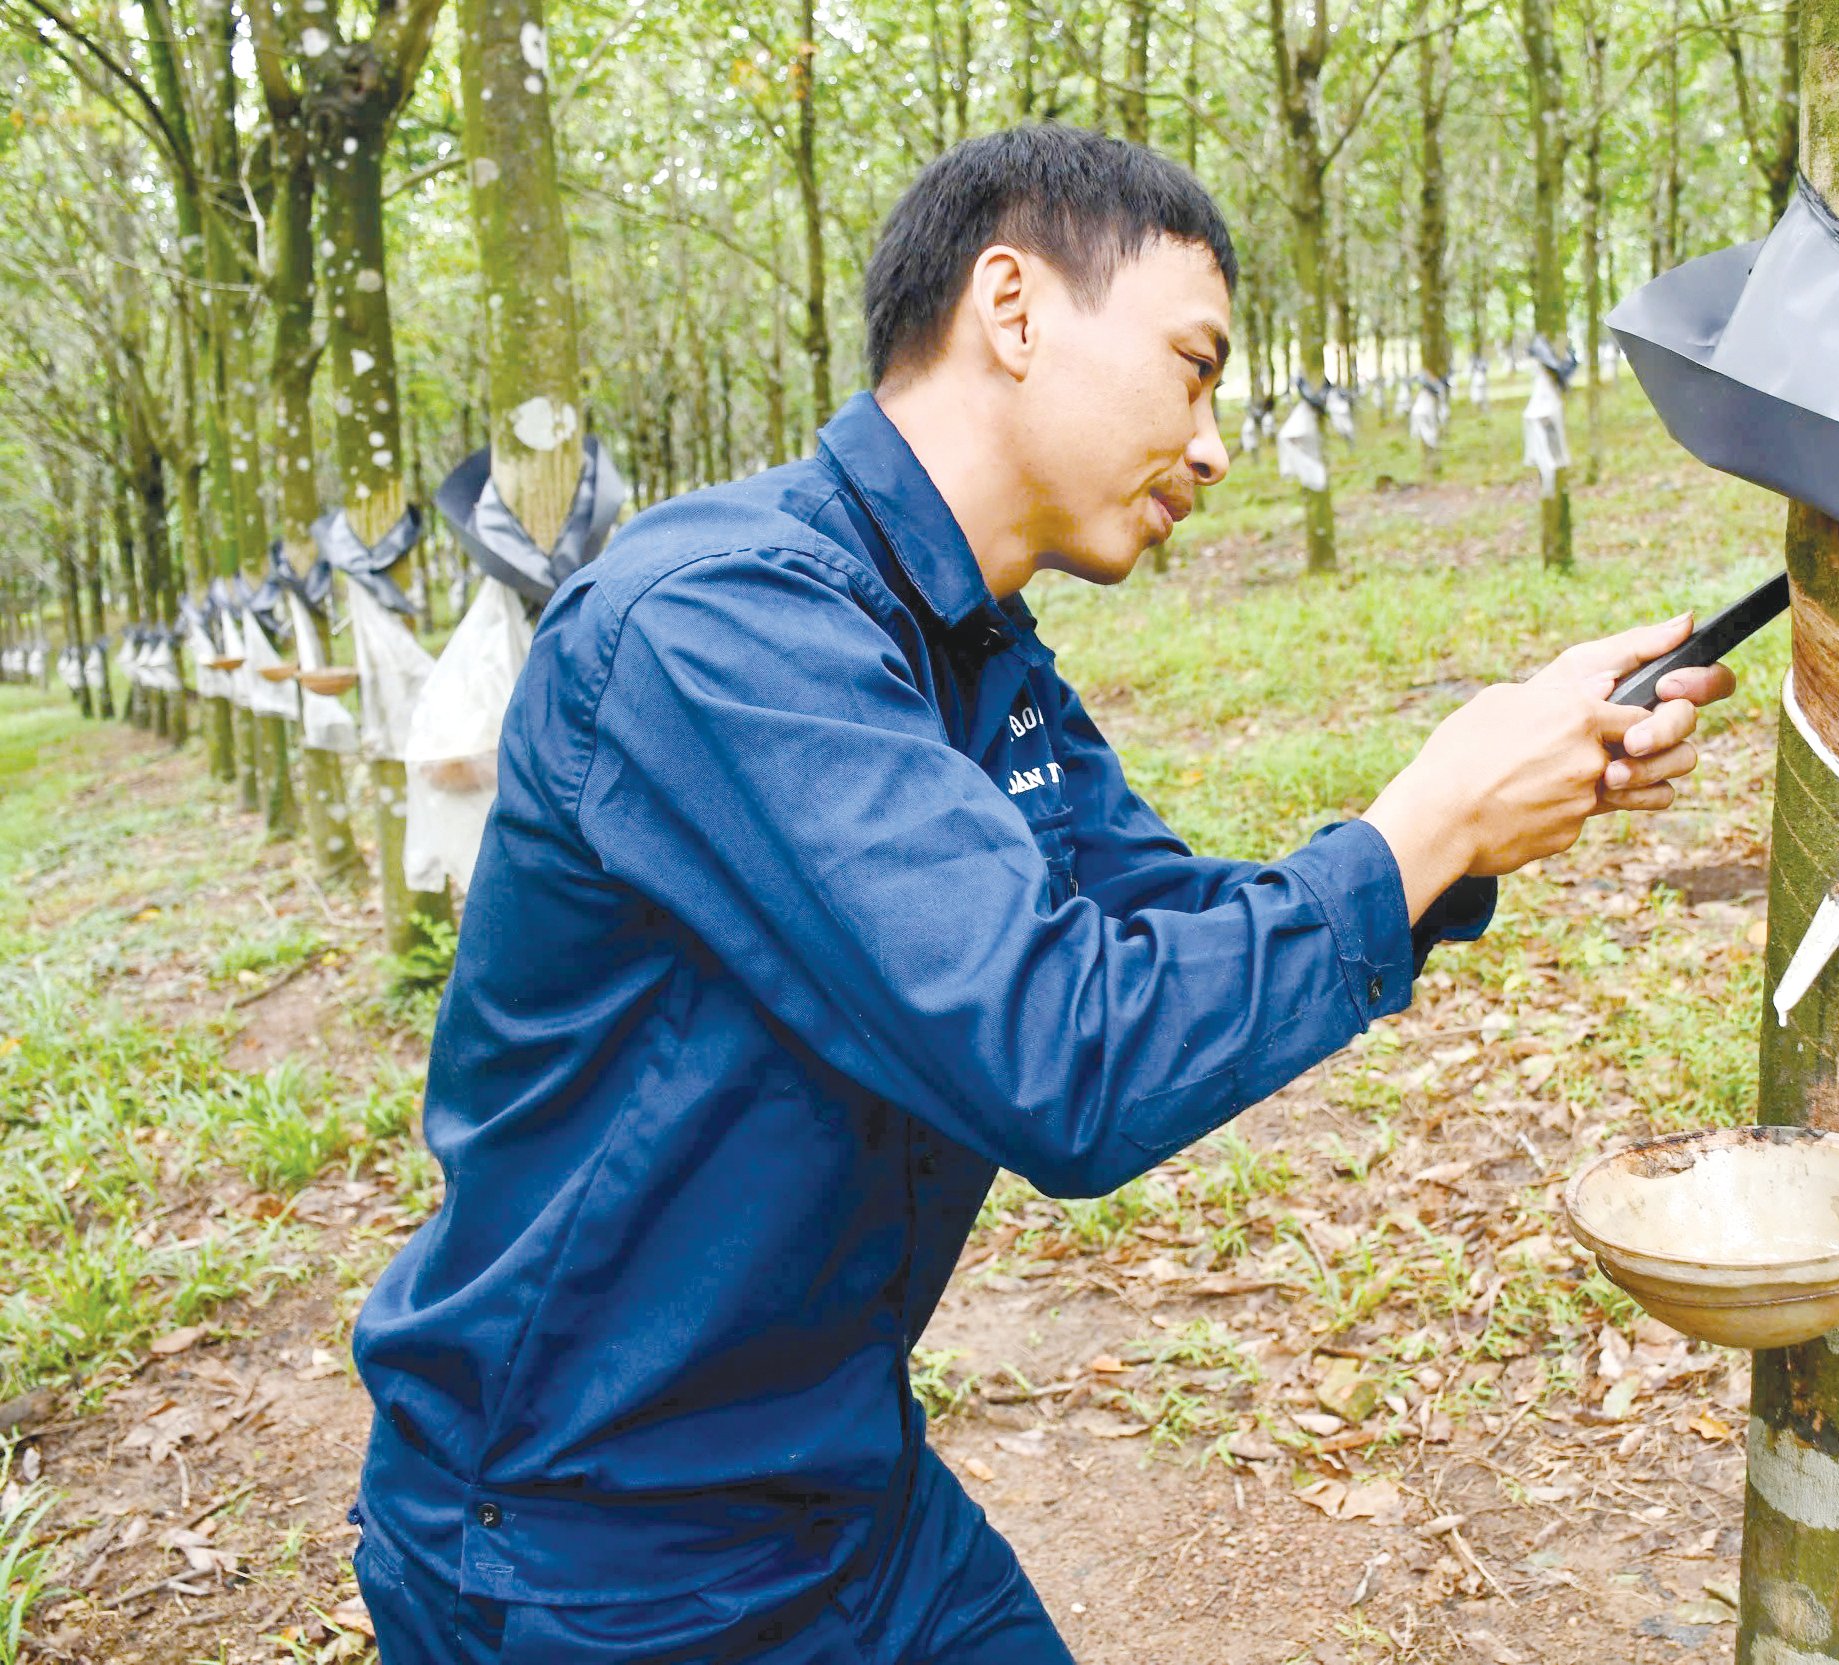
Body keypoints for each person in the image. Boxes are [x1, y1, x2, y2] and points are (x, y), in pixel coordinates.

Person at [350, 123, 1734, 1663]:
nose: (1212, 443)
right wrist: (1422, 823)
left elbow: (1146, 928)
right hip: (598, 1546)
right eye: (1192, 366)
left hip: (842, 1481)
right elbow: (1060, 1054)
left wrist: (1466, 826)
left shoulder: (971, 645)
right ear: (1010, 309)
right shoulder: (723, 628)